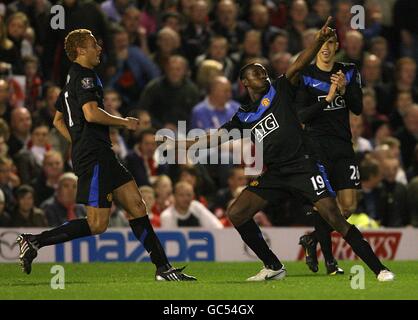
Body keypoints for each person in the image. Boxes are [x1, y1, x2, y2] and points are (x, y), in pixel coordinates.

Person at [164, 17, 394, 281]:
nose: (264, 74)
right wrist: (179, 144)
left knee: (336, 217)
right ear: (245, 83)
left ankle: (380, 269)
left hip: (303, 165)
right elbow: (213, 138)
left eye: (264, 71)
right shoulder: (243, 116)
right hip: (275, 172)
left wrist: (318, 39)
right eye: (257, 72)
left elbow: (298, 63)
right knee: (237, 212)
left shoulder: (279, 89)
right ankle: (273, 266)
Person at [16, 29, 195, 281]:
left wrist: (77, 140)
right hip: (95, 156)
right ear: (80, 50)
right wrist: (124, 123)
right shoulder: (85, 77)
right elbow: (90, 114)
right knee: (97, 224)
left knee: (136, 205)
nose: (99, 48)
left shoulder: (71, 80)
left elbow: (58, 119)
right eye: (93, 45)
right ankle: (33, 241)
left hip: (100, 154)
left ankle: (163, 268)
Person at [293, 31, 362, 275]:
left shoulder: (349, 71)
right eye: (322, 42)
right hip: (316, 146)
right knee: (325, 205)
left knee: (348, 207)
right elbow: (300, 116)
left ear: (337, 46)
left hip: (343, 145)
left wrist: (344, 90)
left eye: (330, 42)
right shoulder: (306, 75)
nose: (326, 47)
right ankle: (331, 262)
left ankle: (311, 240)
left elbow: (359, 108)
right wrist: (327, 98)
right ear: (316, 46)